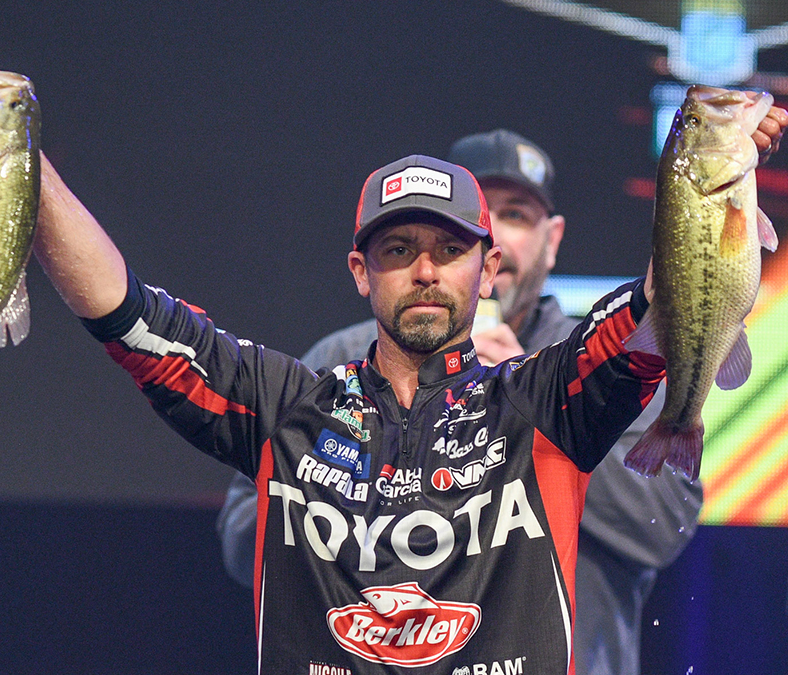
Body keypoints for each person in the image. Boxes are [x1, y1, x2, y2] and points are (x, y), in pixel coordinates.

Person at [0, 63, 788, 674]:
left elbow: (659, 306)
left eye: (450, 250)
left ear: (488, 270)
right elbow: (121, 312)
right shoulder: (286, 404)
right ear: (358, 271)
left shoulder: (545, 399)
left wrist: (719, 171)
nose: (424, 268)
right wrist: (17, 163)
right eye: (398, 248)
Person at [217, 130, 692, 675]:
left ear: (550, 239)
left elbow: (663, 526)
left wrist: (532, 418)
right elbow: (239, 540)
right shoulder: (342, 361)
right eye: (483, 216)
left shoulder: (595, 365)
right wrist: (349, 487)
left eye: (516, 215)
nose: (501, 237)